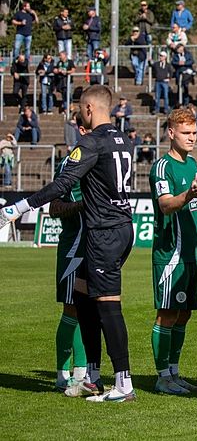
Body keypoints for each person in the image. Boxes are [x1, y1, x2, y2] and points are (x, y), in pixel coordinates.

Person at [1, 85, 135, 402]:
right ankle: (92, 376)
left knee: (108, 306)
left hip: (104, 232)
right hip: (120, 228)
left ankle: (123, 384)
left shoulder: (91, 142)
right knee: (83, 295)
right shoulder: (123, 140)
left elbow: (61, 184)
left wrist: (16, 208)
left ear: (88, 109)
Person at [148, 109, 197, 395]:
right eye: (186, 133)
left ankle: (174, 372)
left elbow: (194, 207)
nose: (192, 138)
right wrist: (188, 195)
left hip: (190, 253)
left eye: (195, 132)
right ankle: (162, 377)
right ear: (171, 133)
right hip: (170, 254)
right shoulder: (162, 167)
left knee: (184, 314)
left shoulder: (192, 164)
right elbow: (165, 205)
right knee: (167, 314)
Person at [49, 123, 87, 392]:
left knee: (90, 309)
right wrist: (82, 206)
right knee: (72, 308)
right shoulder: (69, 164)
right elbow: (54, 207)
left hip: (96, 247)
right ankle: (62, 374)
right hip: (74, 246)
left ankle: (82, 373)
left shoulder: (101, 160)